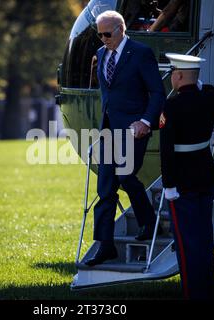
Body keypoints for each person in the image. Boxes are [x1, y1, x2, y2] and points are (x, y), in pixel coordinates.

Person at [85, 10, 166, 266]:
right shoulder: (100, 54)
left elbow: (157, 92)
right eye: (99, 35)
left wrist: (145, 121)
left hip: (134, 128)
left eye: (107, 34)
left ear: (120, 29)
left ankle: (148, 222)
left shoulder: (140, 53)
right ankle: (105, 245)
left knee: (126, 176)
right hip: (108, 130)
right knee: (105, 188)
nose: (103, 39)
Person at [159, 53, 214, 299]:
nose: (171, 77)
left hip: (181, 182)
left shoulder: (171, 106)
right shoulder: (208, 100)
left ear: (178, 75)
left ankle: (193, 295)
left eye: (172, 73)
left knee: (186, 244)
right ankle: (205, 291)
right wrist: (203, 87)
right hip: (204, 177)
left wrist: (169, 185)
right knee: (203, 240)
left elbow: (166, 151)